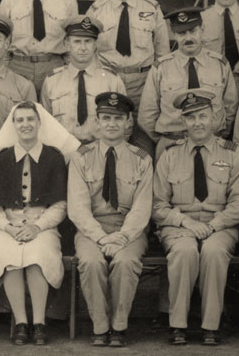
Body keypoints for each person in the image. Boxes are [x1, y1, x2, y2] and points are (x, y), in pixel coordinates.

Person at [152, 89, 239, 345]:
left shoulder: (232, 153)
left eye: (202, 116)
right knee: (184, 252)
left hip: (220, 225)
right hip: (179, 225)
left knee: (214, 252)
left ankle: (210, 325)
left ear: (214, 118)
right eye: (191, 117)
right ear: (183, 121)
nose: (197, 123)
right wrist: (186, 222)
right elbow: (158, 204)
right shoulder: (170, 154)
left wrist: (214, 224)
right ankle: (178, 325)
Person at [67, 92, 152, 346]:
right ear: (97, 122)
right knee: (91, 262)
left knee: (126, 262)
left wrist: (122, 236)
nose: (111, 123)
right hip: (92, 230)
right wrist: (102, 237)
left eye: (118, 118)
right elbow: (78, 207)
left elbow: (142, 207)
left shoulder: (142, 159)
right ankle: (99, 326)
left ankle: (119, 326)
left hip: (129, 230)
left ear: (128, 122)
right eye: (106, 118)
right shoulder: (81, 157)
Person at [0, 102, 68, 346]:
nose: (25, 124)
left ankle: (39, 322)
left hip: (41, 223)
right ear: (13, 125)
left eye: (30, 119)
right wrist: (7, 227)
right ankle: (21, 322)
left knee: (37, 255)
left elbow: (60, 205)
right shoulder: (1, 158)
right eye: (20, 120)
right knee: (8, 254)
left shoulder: (53, 156)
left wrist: (37, 226)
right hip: (8, 224)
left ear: (39, 123)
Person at [138, 7, 238, 154]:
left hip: (212, 143)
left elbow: (231, 107)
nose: (188, 38)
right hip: (172, 143)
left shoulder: (220, 64)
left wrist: (217, 135)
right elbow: (147, 114)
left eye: (193, 31)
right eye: (182, 33)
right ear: (174, 34)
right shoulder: (161, 67)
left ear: (202, 29)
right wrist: (164, 140)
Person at [85, 0, 170, 108]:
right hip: (107, 79)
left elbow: (162, 52)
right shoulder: (96, 11)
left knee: (142, 125)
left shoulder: (152, 9)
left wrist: (158, 84)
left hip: (143, 82)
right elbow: (89, 51)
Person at [40, 16, 125, 144]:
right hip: (62, 150)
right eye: (77, 41)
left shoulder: (111, 80)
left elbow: (124, 123)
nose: (83, 47)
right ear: (67, 45)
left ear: (95, 45)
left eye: (88, 41)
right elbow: (44, 123)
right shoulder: (52, 81)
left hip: (99, 150)